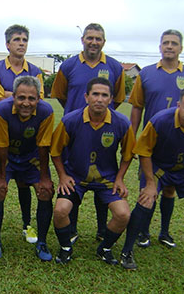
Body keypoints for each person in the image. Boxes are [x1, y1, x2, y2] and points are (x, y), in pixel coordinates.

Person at [120, 86, 184, 270]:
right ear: (179, 105)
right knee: (146, 200)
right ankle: (126, 252)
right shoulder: (160, 121)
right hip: (159, 167)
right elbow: (144, 152)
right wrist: (150, 183)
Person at [50, 23, 126, 243]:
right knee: (73, 178)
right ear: (82, 39)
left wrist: (101, 115)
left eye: (98, 38)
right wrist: (77, 114)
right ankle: (70, 228)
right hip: (74, 132)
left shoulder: (114, 67)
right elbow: (61, 95)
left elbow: (118, 98)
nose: (94, 42)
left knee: (103, 176)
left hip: (104, 132)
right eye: (90, 38)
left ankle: (103, 229)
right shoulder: (69, 65)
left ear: (104, 42)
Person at [128, 29, 184, 249]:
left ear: (181, 48)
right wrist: (133, 139)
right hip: (153, 145)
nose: (169, 46)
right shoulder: (146, 74)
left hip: (182, 144)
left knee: (169, 189)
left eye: (174, 43)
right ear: (160, 47)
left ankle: (165, 232)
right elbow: (136, 108)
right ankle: (143, 232)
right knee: (148, 187)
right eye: (165, 43)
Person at [50, 77, 134, 265]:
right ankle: (65, 248)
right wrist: (63, 176)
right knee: (60, 211)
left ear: (111, 99)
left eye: (104, 95)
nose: (99, 99)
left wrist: (120, 179)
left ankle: (104, 248)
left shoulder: (121, 123)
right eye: (95, 94)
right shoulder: (70, 120)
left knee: (123, 215)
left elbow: (127, 155)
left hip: (106, 180)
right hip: (76, 179)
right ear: (86, 97)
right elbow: (55, 152)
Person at [0, 24, 45, 244]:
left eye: (25, 40)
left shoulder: (35, 71)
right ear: (8, 44)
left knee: (24, 182)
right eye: (17, 39)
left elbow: (39, 102)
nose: (21, 43)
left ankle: (27, 225)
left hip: (27, 135)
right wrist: (22, 95)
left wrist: (8, 94)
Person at [0, 75, 54, 260]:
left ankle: (42, 242)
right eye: (21, 98)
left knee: (46, 191)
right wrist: (1, 176)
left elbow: (43, 145)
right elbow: (0, 145)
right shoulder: (1, 109)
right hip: (7, 157)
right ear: (13, 96)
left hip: (31, 157)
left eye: (32, 98)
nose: (26, 103)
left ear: (38, 99)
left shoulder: (46, 111)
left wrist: (44, 177)